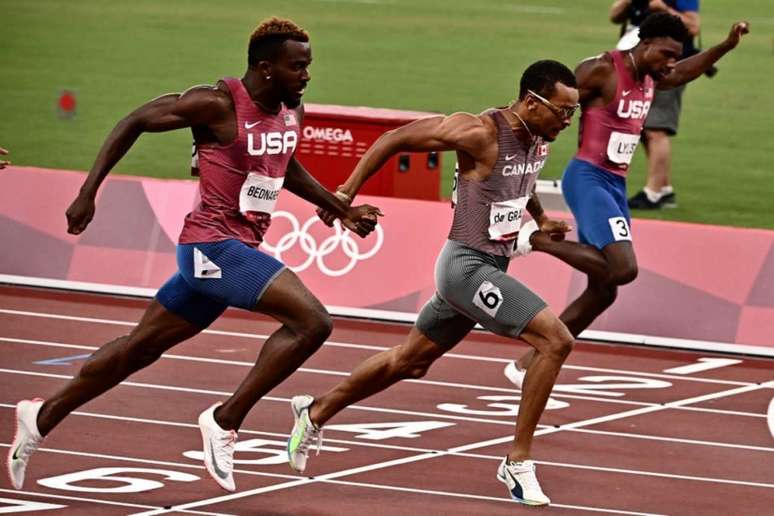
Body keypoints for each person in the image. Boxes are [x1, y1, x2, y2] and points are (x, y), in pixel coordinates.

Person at [6, 17, 382, 493]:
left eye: (308, 66)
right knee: (313, 321)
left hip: (238, 247)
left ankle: (40, 416)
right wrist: (88, 192)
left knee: (137, 350)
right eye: (298, 67)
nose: (307, 76)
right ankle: (224, 420)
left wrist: (339, 209)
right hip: (210, 245)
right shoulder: (217, 104)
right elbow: (134, 121)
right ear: (266, 68)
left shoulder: (291, 111)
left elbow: (282, 168)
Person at [286, 60, 580, 506]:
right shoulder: (479, 132)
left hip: (493, 268)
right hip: (465, 268)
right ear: (531, 101)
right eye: (561, 111)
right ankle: (517, 462)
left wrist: (540, 220)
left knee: (410, 361)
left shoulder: (538, 136)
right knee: (555, 341)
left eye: (572, 113)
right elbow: (392, 138)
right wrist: (345, 192)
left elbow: (521, 179)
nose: (567, 121)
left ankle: (315, 411)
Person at [503, 13, 748, 387]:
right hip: (588, 179)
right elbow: (548, 102)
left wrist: (725, 47)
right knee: (622, 269)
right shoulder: (602, 70)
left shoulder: (653, 76)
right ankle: (532, 239)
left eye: (673, 56)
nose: (670, 63)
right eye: (666, 54)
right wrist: (522, 143)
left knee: (604, 290)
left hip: (614, 186)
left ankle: (526, 365)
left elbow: (683, 72)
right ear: (644, 42)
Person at [611, 0, 702, 209]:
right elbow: (615, 16)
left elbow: (694, 27)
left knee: (656, 129)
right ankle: (664, 188)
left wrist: (663, 9)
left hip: (669, 69)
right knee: (642, 127)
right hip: (638, 66)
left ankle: (653, 193)